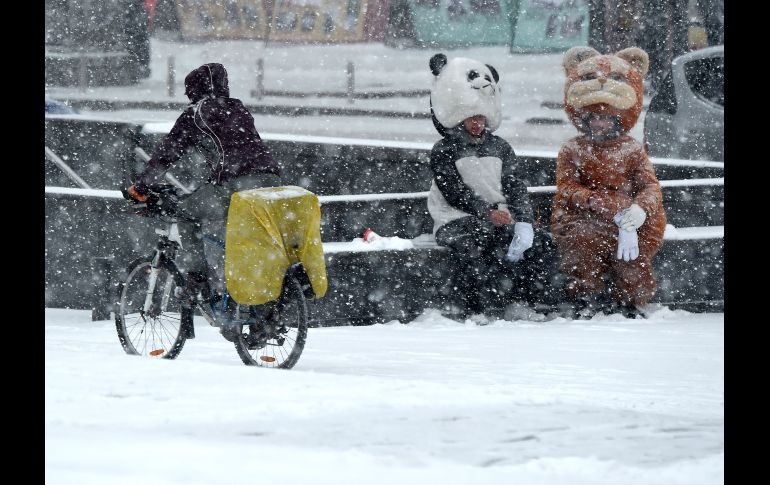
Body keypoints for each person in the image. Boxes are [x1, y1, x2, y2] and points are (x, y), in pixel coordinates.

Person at [126, 63, 282, 304]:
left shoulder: (196, 113)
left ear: (194, 90)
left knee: (185, 214)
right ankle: (253, 303)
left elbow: (167, 154)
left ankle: (196, 277)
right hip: (271, 181)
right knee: (245, 233)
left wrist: (141, 188)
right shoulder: (239, 109)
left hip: (235, 183)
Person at [551, 46, 667, 318]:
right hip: (583, 215)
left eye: (604, 118)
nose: (598, 124)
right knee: (584, 240)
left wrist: (638, 210)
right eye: (594, 118)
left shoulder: (632, 149)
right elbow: (566, 186)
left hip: (626, 215)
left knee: (632, 249)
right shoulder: (572, 149)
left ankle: (629, 299)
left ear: (615, 119)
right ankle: (585, 296)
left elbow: (650, 186)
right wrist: (589, 198)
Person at [426, 54, 535, 316]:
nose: (477, 123)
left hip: (495, 216)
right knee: (474, 245)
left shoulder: (501, 147)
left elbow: (515, 185)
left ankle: (515, 302)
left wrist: (524, 220)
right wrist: (487, 212)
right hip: (455, 219)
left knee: (528, 245)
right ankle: (478, 307)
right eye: (472, 118)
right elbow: (454, 192)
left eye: (481, 118)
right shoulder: (444, 150)